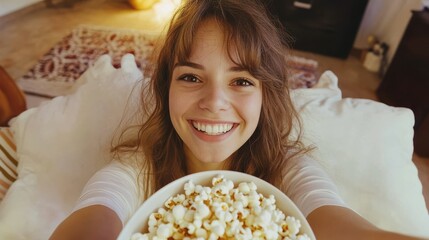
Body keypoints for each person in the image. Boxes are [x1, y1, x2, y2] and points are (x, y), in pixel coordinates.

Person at [50, 1, 426, 240]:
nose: (214, 102)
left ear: (267, 96)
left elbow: (334, 220)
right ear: (166, 89)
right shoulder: (137, 167)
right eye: (191, 77)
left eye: (242, 81)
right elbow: (98, 210)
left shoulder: (288, 168)